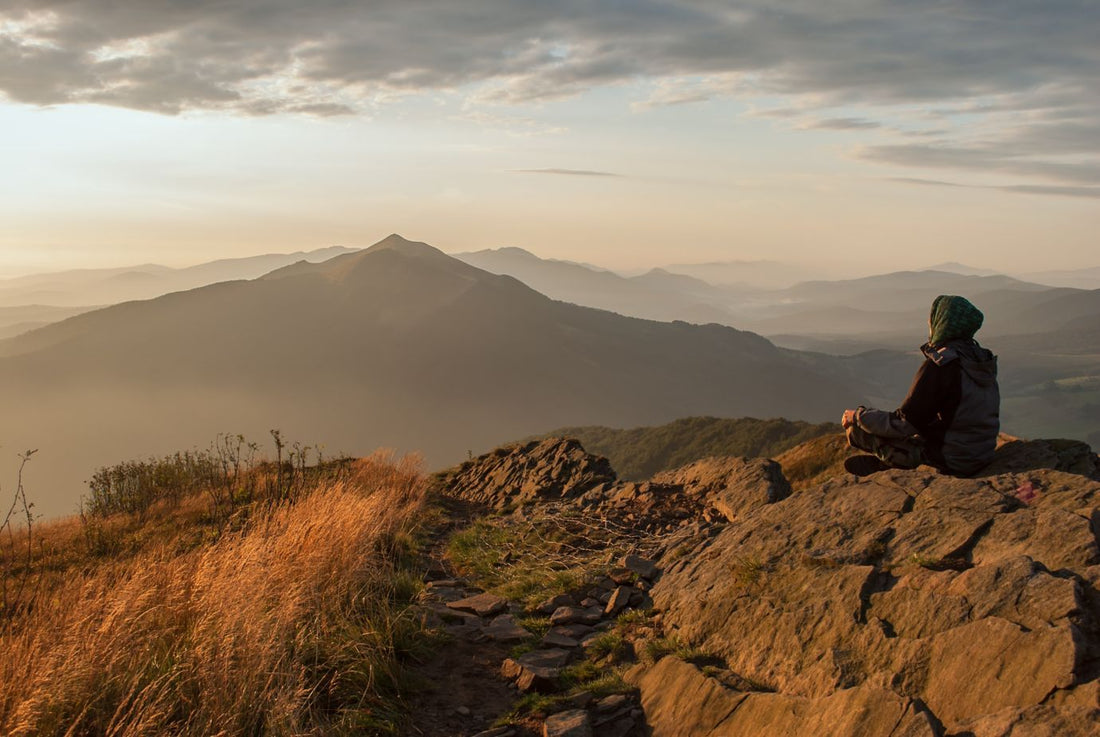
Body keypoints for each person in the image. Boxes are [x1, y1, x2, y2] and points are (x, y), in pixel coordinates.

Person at [841, 294, 1000, 476]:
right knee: (921, 426)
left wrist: (858, 415)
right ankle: (896, 458)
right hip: (982, 453)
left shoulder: (942, 365)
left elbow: (904, 423)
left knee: (858, 432)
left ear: (942, 322)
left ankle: (898, 460)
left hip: (955, 459)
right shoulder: (981, 359)